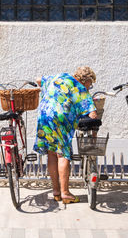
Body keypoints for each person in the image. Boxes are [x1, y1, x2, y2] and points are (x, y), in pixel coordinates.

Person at [33, 66, 97, 204]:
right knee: (62, 154)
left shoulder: (60, 76)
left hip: (44, 115)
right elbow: (92, 113)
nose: (89, 87)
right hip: (60, 119)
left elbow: (39, 80)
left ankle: (56, 192)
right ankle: (65, 193)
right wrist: (94, 124)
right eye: (90, 84)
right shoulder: (80, 88)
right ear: (86, 80)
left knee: (51, 152)